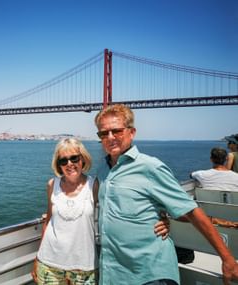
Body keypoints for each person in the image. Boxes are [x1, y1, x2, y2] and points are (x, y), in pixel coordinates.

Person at [94, 104, 238, 285]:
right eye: (103, 133)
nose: (110, 137)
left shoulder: (150, 167)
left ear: (132, 132)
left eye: (117, 131)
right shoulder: (102, 169)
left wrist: (227, 258)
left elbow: (191, 210)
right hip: (114, 274)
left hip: (149, 273)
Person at [32, 138, 169, 285]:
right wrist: (37, 257)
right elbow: (49, 221)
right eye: (63, 161)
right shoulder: (52, 185)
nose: (69, 164)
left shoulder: (95, 185)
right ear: (58, 164)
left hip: (84, 267)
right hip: (49, 263)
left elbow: (121, 211)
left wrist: (160, 218)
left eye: (74, 158)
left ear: (82, 159)